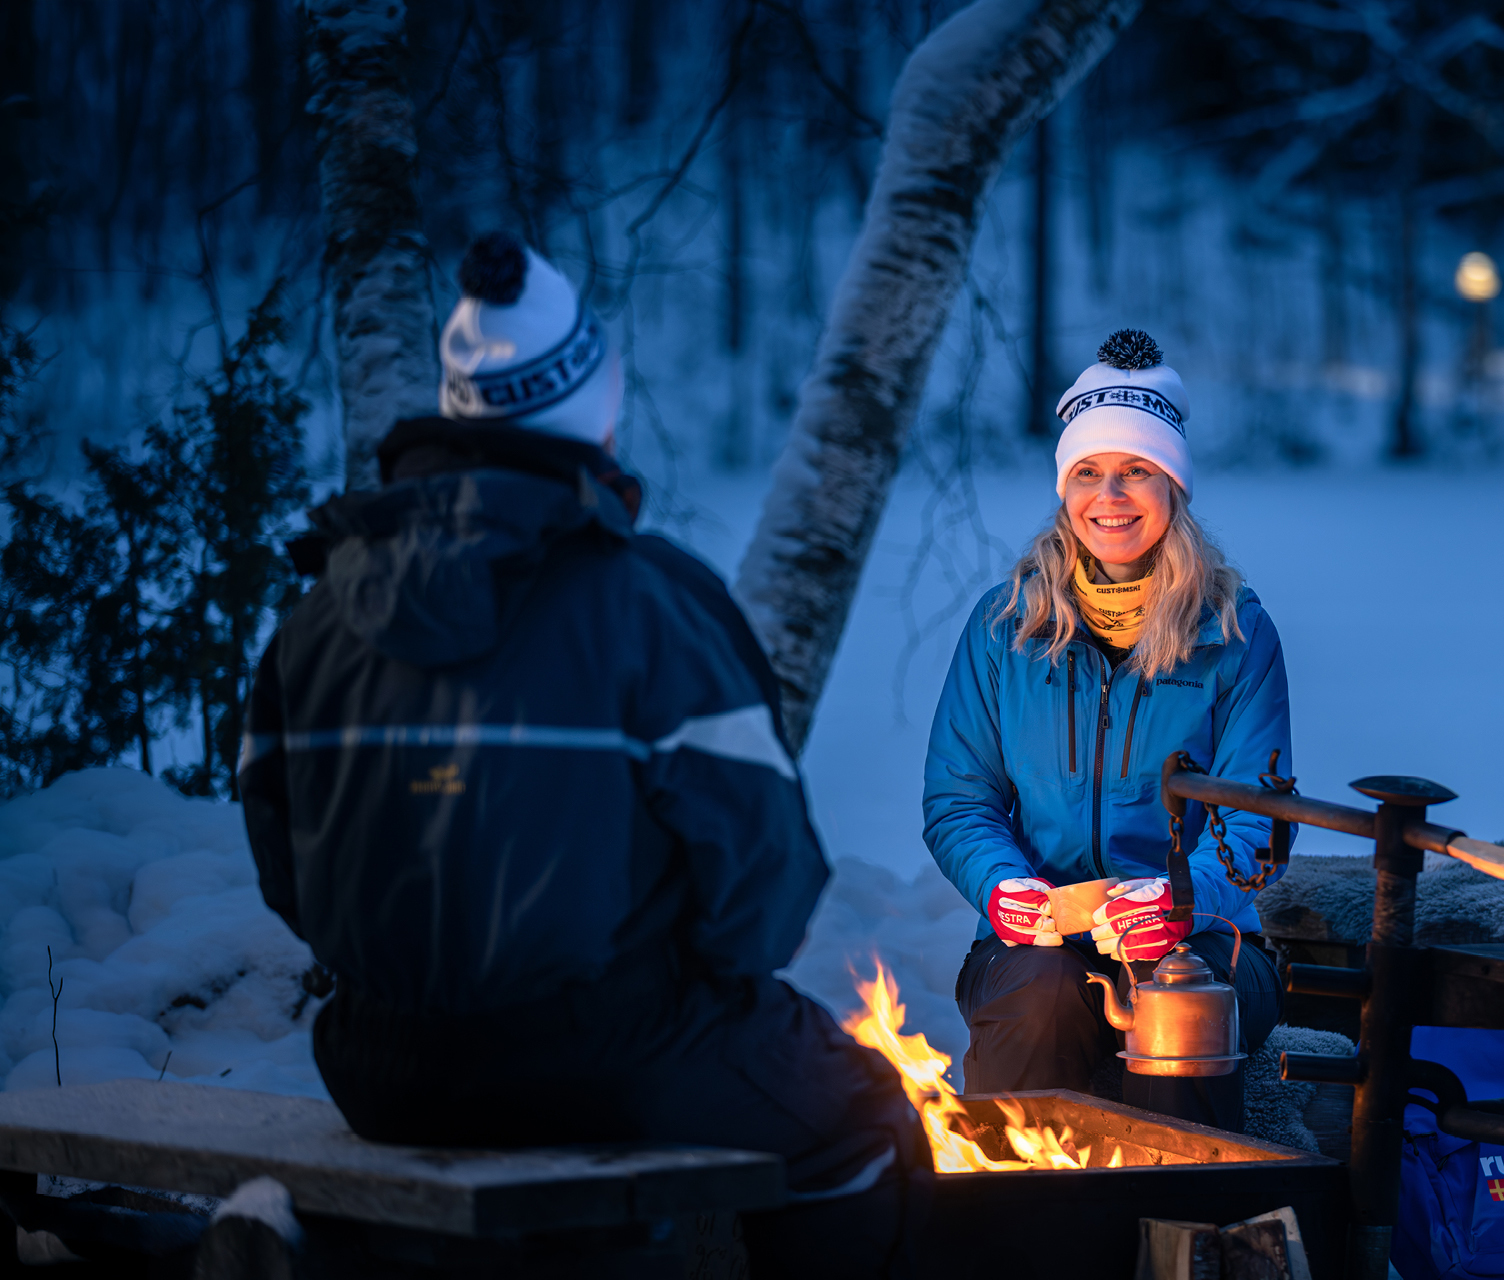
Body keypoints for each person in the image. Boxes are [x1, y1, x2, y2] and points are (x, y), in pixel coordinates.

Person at [239, 233, 926, 1277]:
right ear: (592, 401)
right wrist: (691, 986)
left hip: (377, 1061)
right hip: (618, 1051)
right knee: (863, 1115)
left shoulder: (316, 618)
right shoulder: (647, 601)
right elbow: (766, 879)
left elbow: (283, 860)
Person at [922, 329, 1291, 1133]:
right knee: (1040, 997)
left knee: (1176, 999)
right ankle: (1015, 1230)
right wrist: (1002, 887)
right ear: (1063, 486)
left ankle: (1181, 1237)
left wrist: (1182, 900)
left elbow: (1256, 818)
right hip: (1038, 937)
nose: (1110, 495)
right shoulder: (1004, 628)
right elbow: (960, 798)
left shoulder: (1234, 632)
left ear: (1174, 486)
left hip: (1206, 939)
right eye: (1087, 471)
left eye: (1137, 471)